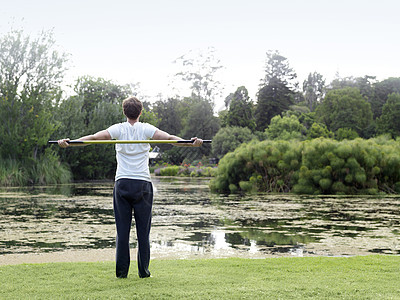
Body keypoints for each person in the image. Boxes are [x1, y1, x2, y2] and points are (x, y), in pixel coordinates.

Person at [57, 96, 203, 278]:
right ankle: (144, 272)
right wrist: (190, 142)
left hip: (123, 184)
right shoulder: (146, 128)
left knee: (122, 232)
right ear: (140, 112)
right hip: (142, 185)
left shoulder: (117, 129)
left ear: (124, 112)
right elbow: (170, 139)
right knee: (143, 232)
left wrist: (70, 143)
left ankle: (121, 274)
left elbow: (94, 138)